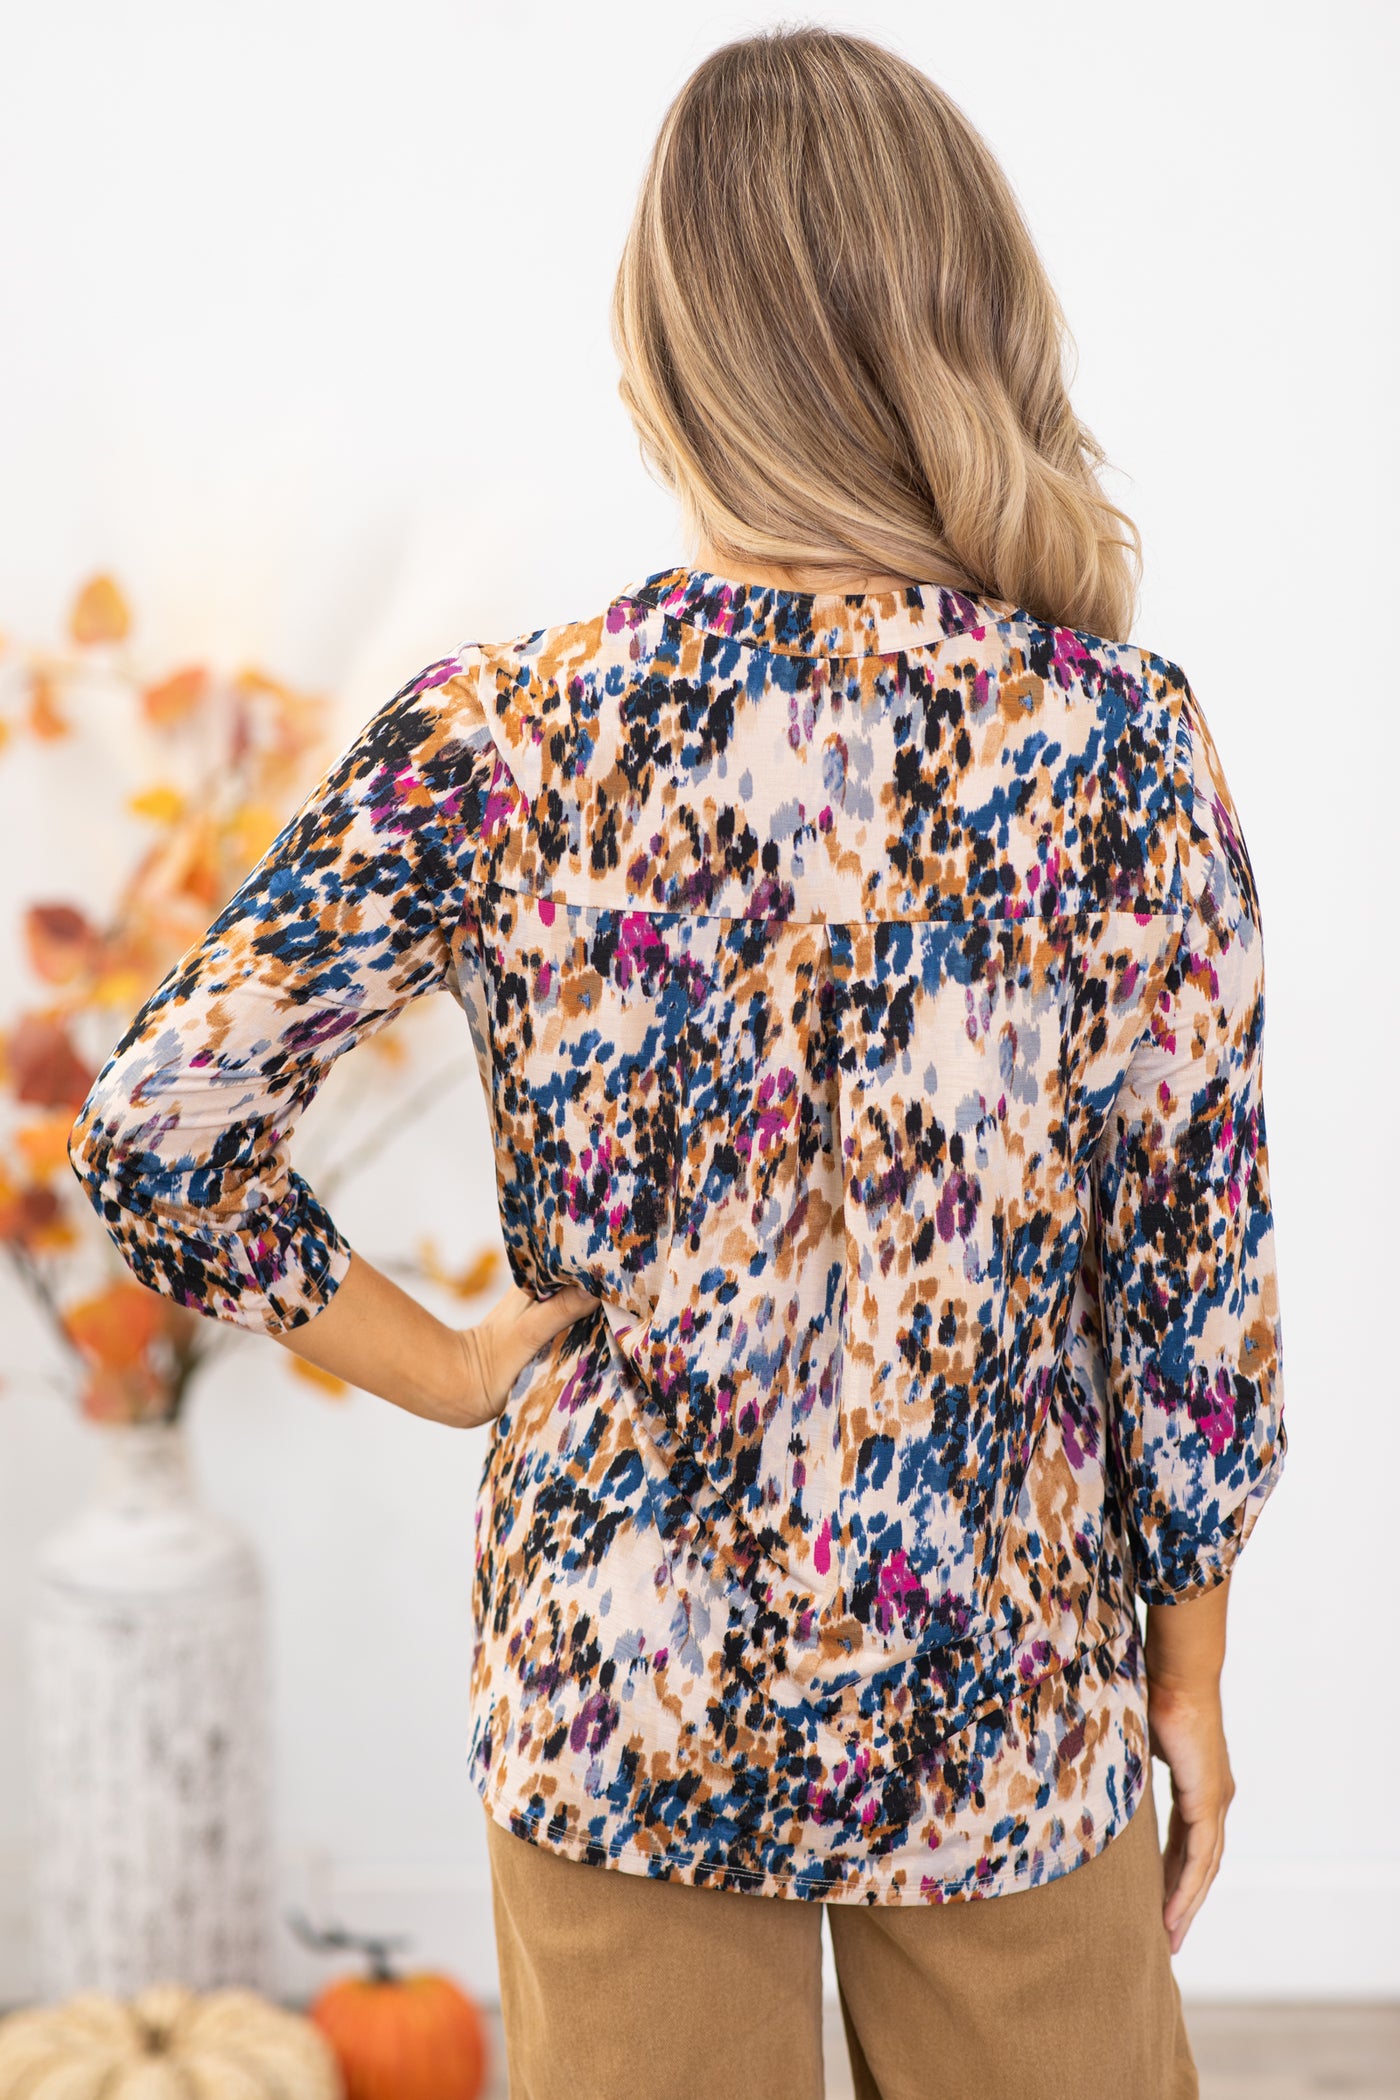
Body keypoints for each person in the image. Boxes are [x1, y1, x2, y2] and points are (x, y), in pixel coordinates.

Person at [67, 24, 1286, 2100]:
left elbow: (162, 1128)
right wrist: (1191, 1683)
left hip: (619, 1685)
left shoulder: (512, 734)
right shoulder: (1118, 745)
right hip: (999, 1689)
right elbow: (1193, 1290)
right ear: (970, 324)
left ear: (664, 356)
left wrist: (455, 1366)